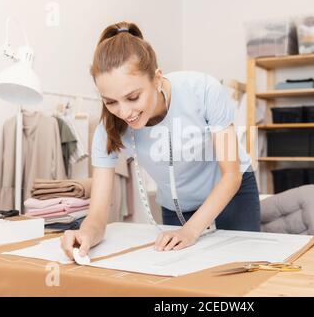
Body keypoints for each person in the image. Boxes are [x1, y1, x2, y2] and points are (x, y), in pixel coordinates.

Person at [61, 21, 260, 260]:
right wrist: (86, 235)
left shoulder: (205, 90)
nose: (124, 112)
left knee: (242, 266)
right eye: (111, 102)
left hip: (232, 191)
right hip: (177, 204)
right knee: (180, 272)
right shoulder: (109, 128)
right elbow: (98, 213)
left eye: (133, 97)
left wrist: (190, 231)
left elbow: (231, 174)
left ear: (157, 78)